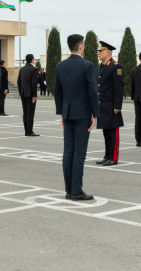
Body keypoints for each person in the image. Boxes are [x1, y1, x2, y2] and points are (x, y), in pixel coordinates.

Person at [54, 33, 98, 201]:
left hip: (68, 112)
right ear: (81, 46)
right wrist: (95, 114)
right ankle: (76, 190)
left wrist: (62, 112)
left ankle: (68, 190)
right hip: (82, 114)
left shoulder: (60, 65)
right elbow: (93, 91)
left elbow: (57, 90)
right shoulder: (87, 65)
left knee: (68, 151)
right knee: (79, 152)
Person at [95, 41, 124, 166]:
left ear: (108, 52)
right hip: (103, 105)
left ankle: (114, 157)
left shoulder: (116, 66)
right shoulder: (100, 66)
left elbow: (119, 87)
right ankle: (107, 156)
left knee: (113, 133)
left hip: (112, 105)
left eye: (100, 51)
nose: (98, 53)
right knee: (106, 133)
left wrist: (117, 105)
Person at [17, 54, 39, 136]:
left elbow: (18, 82)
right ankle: (29, 131)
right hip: (30, 94)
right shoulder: (34, 69)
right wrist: (34, 95)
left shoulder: (22, 69)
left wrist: (20, 92)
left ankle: (26, 130)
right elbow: (34, 83)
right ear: (32, 60)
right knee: (30, 112)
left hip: (23, 93)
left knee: (25, 112)